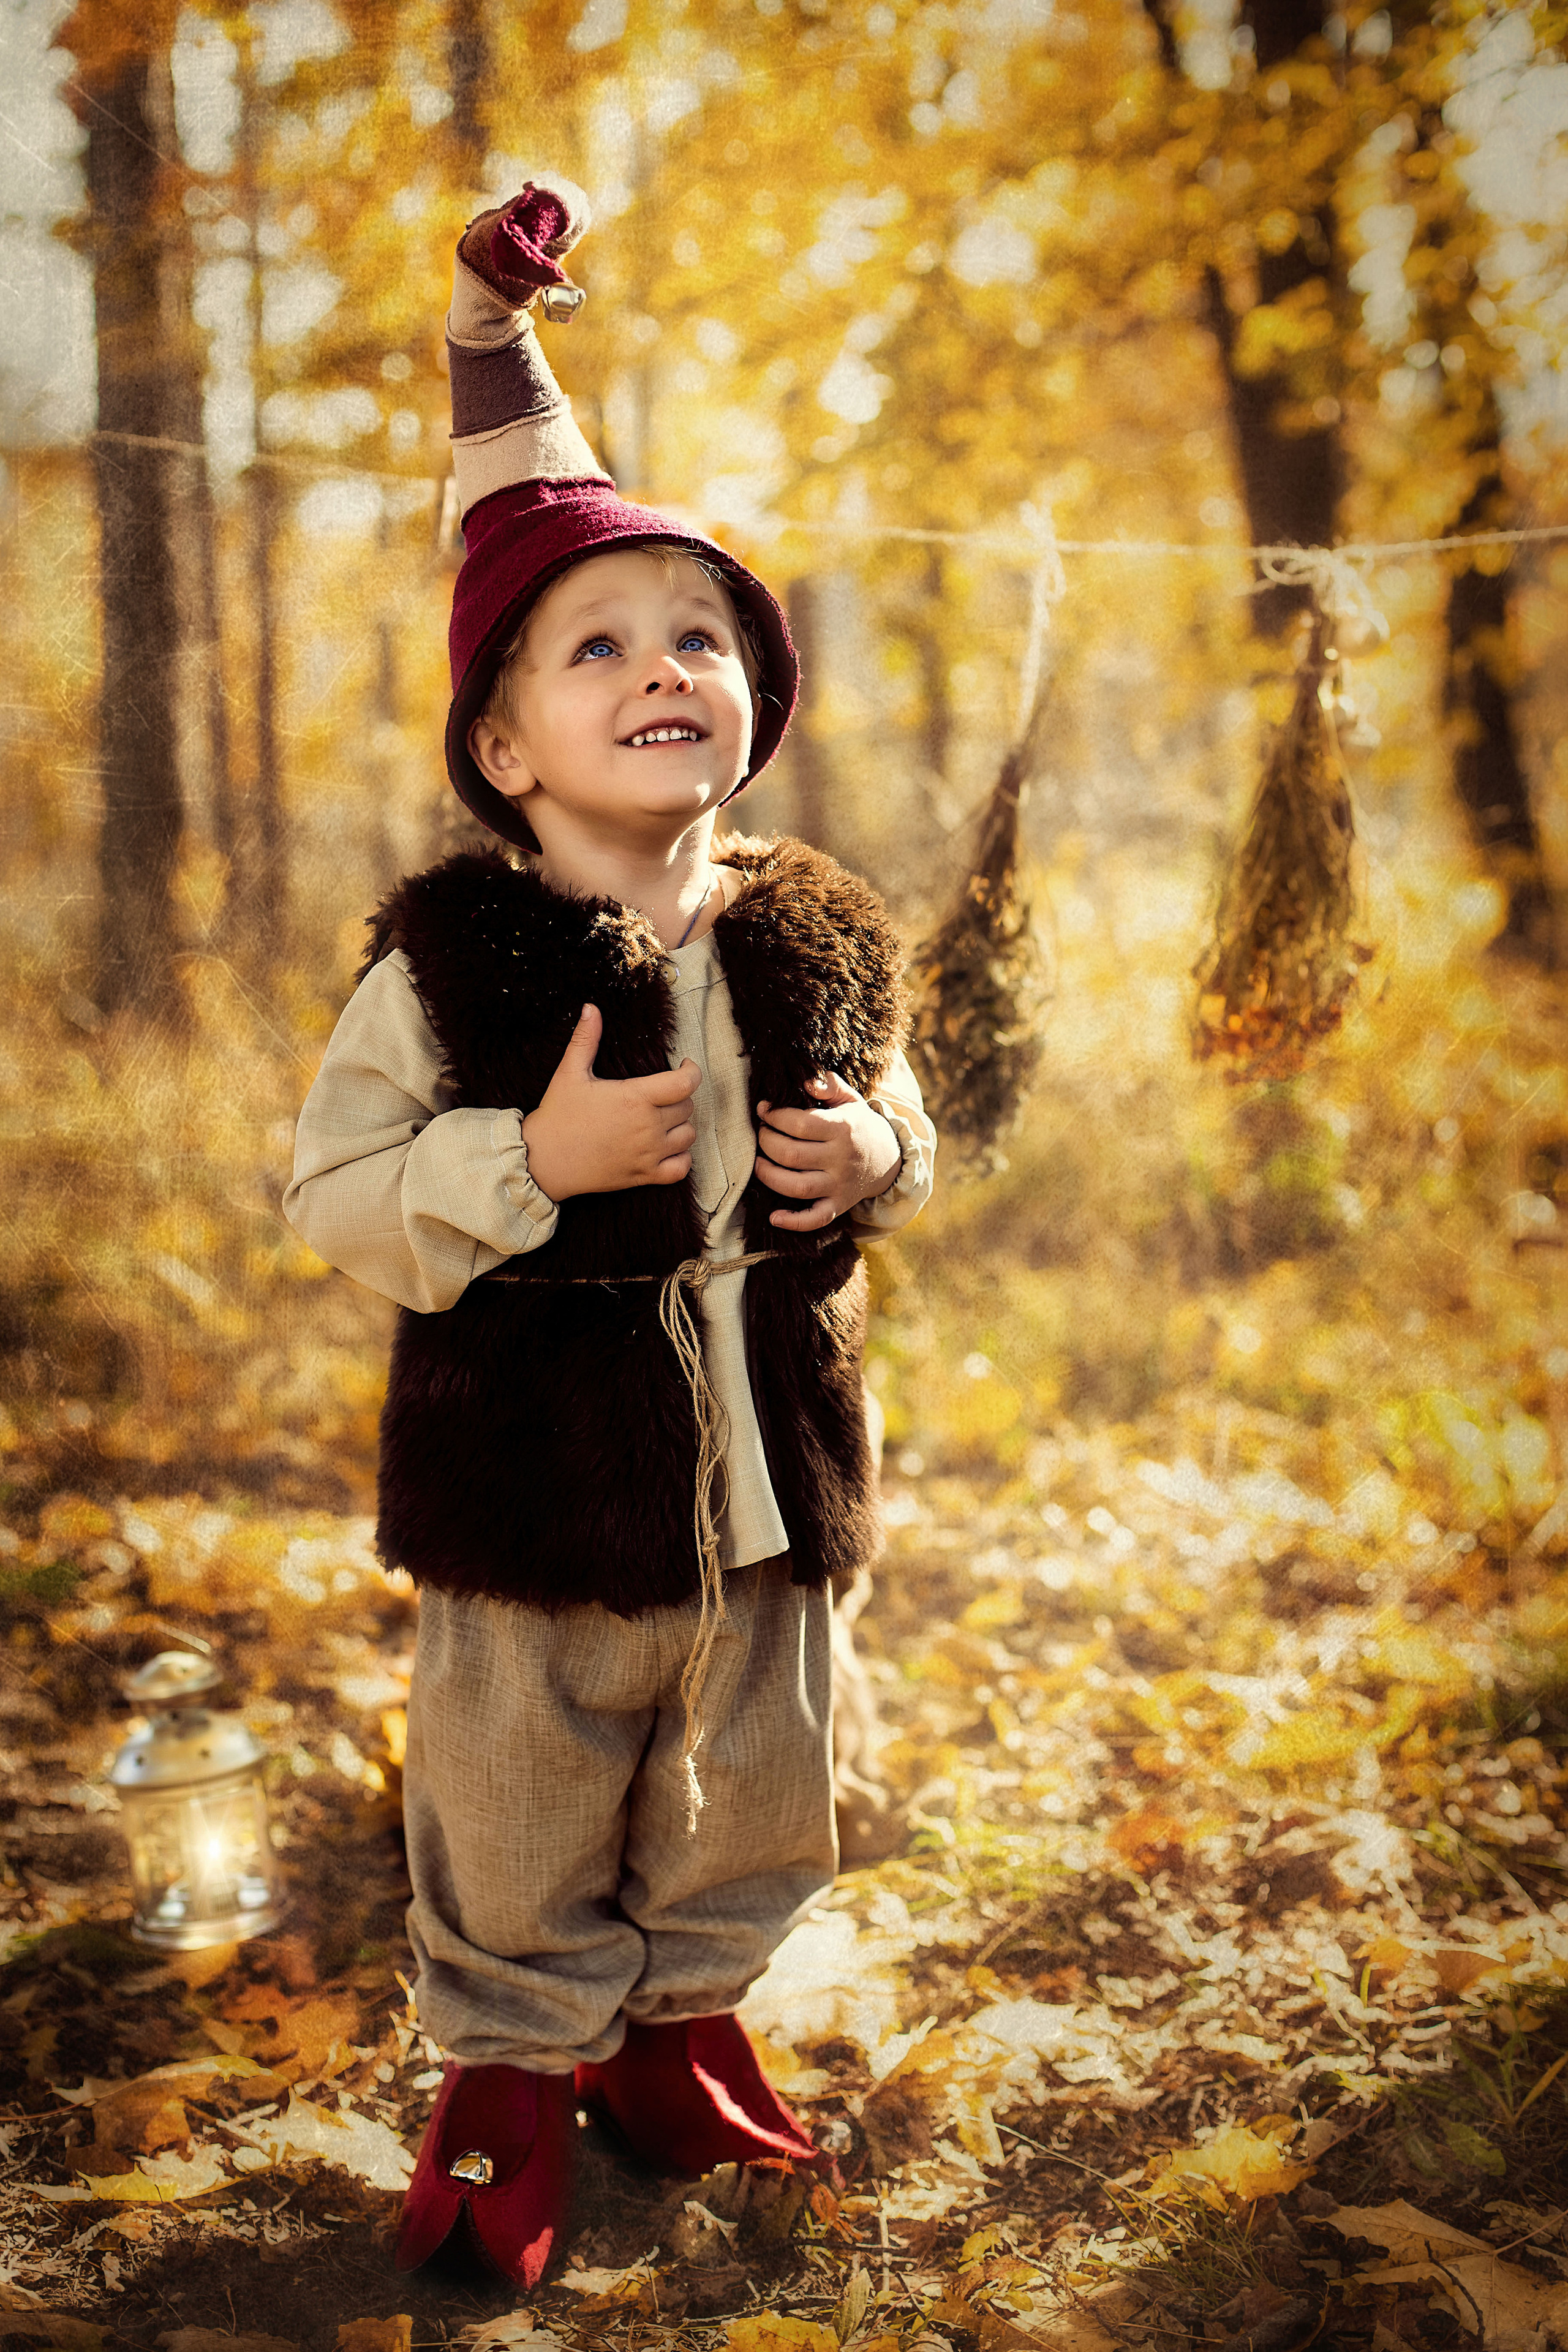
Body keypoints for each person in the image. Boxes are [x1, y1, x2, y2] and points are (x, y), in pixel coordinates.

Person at [283, 177, 936, 2287]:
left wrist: (886, 1160)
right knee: (523, 1786)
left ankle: (675, 2024)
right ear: (504, 740)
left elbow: (898, 1105)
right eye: (602, 644)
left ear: (758, 692)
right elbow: (339, 1198)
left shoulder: (819, 926)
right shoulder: (453, 963)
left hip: (771, 1477)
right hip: (536, 1493)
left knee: (764, 1776)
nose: (668, 666)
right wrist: (529, 1167)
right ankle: (509, 2071)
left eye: (703, 636)